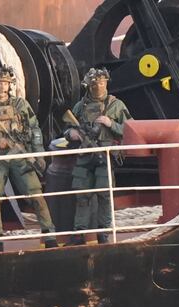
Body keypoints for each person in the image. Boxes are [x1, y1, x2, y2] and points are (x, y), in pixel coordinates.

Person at [0, 65, 57, 253]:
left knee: (36, 195)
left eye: (5, 83)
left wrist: (37, 153)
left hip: (20, 155)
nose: (2, 87)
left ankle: (49, 235)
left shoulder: (21, 105)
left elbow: (34, 129)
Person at [66, 68, 131, 245]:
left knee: (104, 195)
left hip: (105, 154)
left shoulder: (116, 105)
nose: (99, 87)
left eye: (102, 83)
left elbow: (131, 130)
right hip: (85, 155)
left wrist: (112, 124)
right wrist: (71, 133)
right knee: (82, 195)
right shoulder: (81, 106)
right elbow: (66, 127)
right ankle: (79, 233)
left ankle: (103, 234)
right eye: (95, 83)